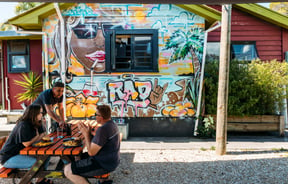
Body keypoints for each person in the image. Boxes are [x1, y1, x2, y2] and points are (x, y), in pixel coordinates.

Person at [64, 105, 120, 184]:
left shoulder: (103, 129)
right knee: (77, 157)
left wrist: (86, 134)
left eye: (96, 115)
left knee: (67, 170)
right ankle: (102, 180)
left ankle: (100, 179)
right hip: (111, 161)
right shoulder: (112, 124)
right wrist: (90, 134)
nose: (95, 117)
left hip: (103, 164)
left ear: (101, 117)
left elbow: (91, 152)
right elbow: (98, 144)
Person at [0, 104, 53, 184]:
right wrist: (38, 137)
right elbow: (26, 144)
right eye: (40, 113)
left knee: (45, 156)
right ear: (34, 114)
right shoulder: (24, 125)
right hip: (8, 157)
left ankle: (40, 180)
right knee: (37, 163)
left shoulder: (37, 122)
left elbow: (44, 135)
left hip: (20, 154)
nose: (42, 114)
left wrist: (41, 136)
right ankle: (27, 181)